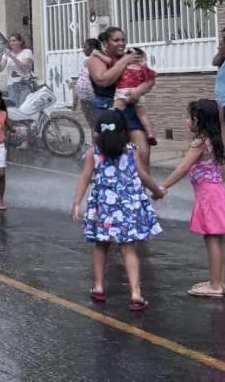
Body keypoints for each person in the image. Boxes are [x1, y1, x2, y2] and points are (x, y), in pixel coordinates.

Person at [72, 109, 164, 310]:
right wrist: (157, 190)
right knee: (129, 249)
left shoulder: (93, 153)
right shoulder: (132, 151)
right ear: (125, 132)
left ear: (97, 133)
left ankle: (98, 286)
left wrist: (77, 203)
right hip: (127, 208)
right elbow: (143, 176)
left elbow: (85, 178)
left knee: (100, 245)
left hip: (103, 208)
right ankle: (136, 293)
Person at [160, 99, 225, 298]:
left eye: (189, 117)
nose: (186, 121)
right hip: (218, 193)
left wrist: (163, 186)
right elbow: (222, 172)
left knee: (212, 239)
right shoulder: (215, 141)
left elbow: (182, 168)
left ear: (198, 120)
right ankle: (218, 282)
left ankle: (216, 286)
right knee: (217, 239)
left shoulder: (199, 143)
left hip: (209, 197)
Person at [87, 27, 155, 163]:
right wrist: (124, 61)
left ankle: (142, 182)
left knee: (142, 153)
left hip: (130, 107)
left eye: (123, 40)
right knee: (108, 154)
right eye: (116, 40)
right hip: (106, 108)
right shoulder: (96, 59)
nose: (121, 43)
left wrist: (138, 91)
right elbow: (103, 80)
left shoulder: (130, 56)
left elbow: (149, 78)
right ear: (106, 42)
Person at [109, 47, 158, 145]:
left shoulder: (123, 67)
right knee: (142, 115)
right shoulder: (142, 68)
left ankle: (112, 131)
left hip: (122, 91)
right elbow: (154, 75)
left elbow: (110, 63)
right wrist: (144, 65)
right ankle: (150, 134)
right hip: (136, 92)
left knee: (116, 112)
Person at [0, 32, 35, 105]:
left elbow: (25, 67)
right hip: (12, 84)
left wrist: (12, 56)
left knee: (23, 106)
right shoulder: (7, 54)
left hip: (24, 84)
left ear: (20, 42)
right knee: (14, 106)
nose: (12, 43)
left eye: (14, 40)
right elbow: (0, 69)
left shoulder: (26, 52)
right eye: (10, 41)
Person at [73, 38, 101, 128]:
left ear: (92, 48)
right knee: (92, 124)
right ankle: (95, 141)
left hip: (93, 97)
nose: (83, 49)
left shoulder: (99, 60)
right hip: (84, 98)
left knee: (97, 124)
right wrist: (75, 98)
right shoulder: (86, 61)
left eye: (85, 47)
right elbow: (81, 78)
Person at [213, 26, 225, 144]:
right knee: (223, 124)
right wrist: (221, 51)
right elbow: (214, 62)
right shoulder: (223, 57)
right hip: (223, 100)